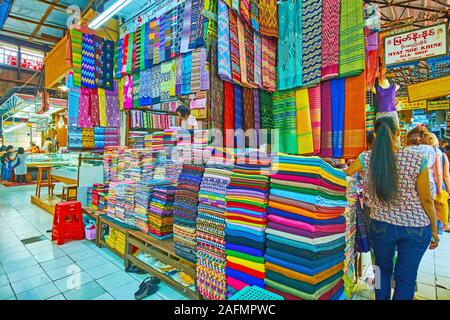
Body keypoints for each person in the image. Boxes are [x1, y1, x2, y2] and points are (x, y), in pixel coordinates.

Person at [345, 117, 439, 300]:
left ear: (375, 134)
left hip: (381, 225)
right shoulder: (416, 159)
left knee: (380, 270)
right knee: (406, 278)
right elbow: (426, 199)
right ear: (398, 134)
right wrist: (434, 229)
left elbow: (342, 176)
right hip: (416, 227)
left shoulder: (366, 157)